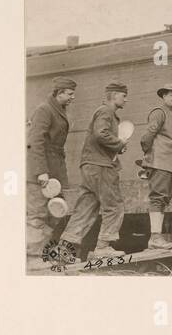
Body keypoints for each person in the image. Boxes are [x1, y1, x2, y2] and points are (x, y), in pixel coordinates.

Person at [56, 81, 131, 262]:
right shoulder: (106, 111)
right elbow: (101, 134)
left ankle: (62, 252)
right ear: (114, 96)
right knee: (114, 205)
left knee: (86, 208)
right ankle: (103, 247)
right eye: (123, 96)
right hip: (101, 166)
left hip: (90, 166)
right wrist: (119, 143)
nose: (126, 100)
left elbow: (101, 136)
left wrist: (115, 147)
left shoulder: (104, 112)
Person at [26, 77, 76, 256]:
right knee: (37, 215)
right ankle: (32, 256)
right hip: (42, 172)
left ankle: (40, 252)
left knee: (55, 211)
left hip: (55, 171)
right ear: (59, 92)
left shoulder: (57, 110)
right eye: (70, 93)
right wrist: (41, 172)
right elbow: (34, 142)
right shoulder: (44, 110)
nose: (73, 97)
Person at [139, 83, 172, 250]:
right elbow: (146, 138)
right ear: (164, 96)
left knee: (163, 199)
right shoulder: (159, 112)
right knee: (158, 198)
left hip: (171, 164)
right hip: (161, 162)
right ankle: (155, 238)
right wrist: (149, 157)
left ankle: (156, 238)